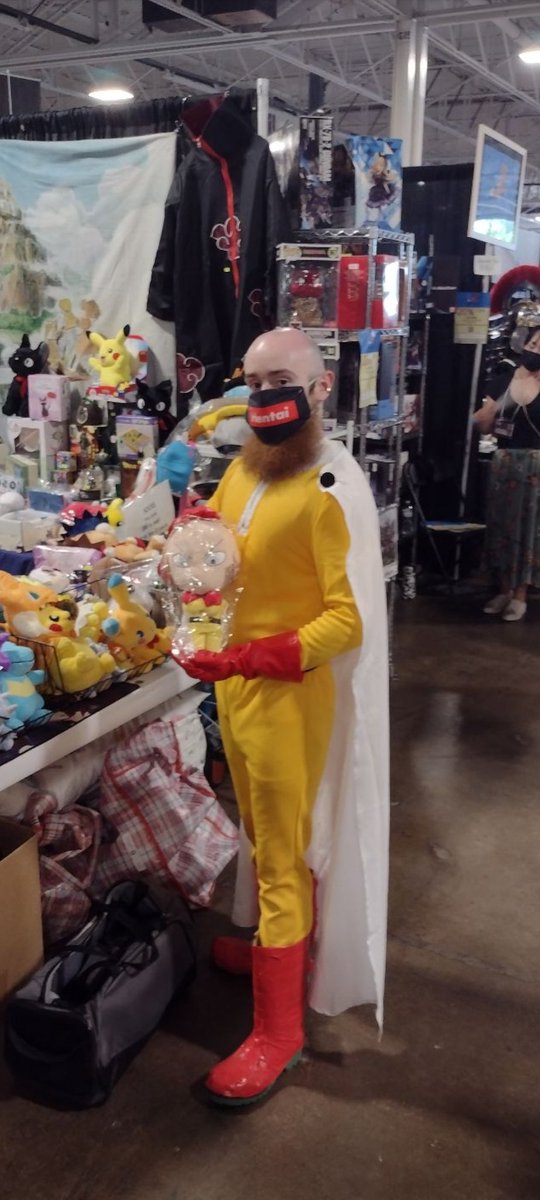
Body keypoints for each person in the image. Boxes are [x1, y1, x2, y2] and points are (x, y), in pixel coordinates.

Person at [179, 327, 389, 1106]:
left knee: (282, 851)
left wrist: (250, 658)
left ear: (321, 387)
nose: (265, 395)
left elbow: (348, 619)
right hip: (239, 690)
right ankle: (280, 948)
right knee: (264, 834)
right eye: (255, 379)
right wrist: (191, 530)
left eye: (281, 380)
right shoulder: (248, 466)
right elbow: (225, 544)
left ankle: (280, 1033)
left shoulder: (331, 487)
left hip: (290, 700)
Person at [473, 324, 540, 621]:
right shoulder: (502, 379)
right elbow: (485, 427)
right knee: (501, 527)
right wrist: (481, 418)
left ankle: (520, 595)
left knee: (529, 530)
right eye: (533, 343)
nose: (535, 350)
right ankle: (502, 589)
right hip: (504, 462)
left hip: (536, 466)